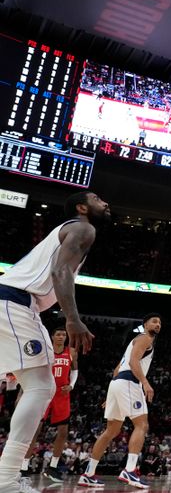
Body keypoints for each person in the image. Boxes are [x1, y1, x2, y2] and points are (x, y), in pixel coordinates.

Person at [0, 191, 104, 492]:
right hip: (15, 302)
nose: (105, 203)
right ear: (82, 207)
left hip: (10, 300)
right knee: (41, 386)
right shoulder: (84, 227)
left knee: (34, 385)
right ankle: (6, 480)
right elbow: (60, 271)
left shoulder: (70, 231)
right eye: (97, 198)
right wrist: (72, 318)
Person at [79, 314, 162, 488]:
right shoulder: (145, 338)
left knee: (111, 431)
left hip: (117, 383)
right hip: (130, 382)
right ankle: (130, 470)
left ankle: (88, 473)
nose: (158, 324)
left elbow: (117, 369)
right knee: (141, 425)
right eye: (154, 321)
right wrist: (145, 383)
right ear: (145, 324)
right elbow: (133, 362)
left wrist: (112, 396)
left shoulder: (134, 341)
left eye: (160, 323)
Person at [20, 328, 78, 483]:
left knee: (63, 432)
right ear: (52, 336)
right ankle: (23, 468)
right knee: (35, 430)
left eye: (64, 334)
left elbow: (75, 371)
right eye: (58, 334)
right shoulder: (45, 351)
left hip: (62, 394)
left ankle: (52, 468)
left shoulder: (71, 352)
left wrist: (71, 385)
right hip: (45, 392)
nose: (61, 337)